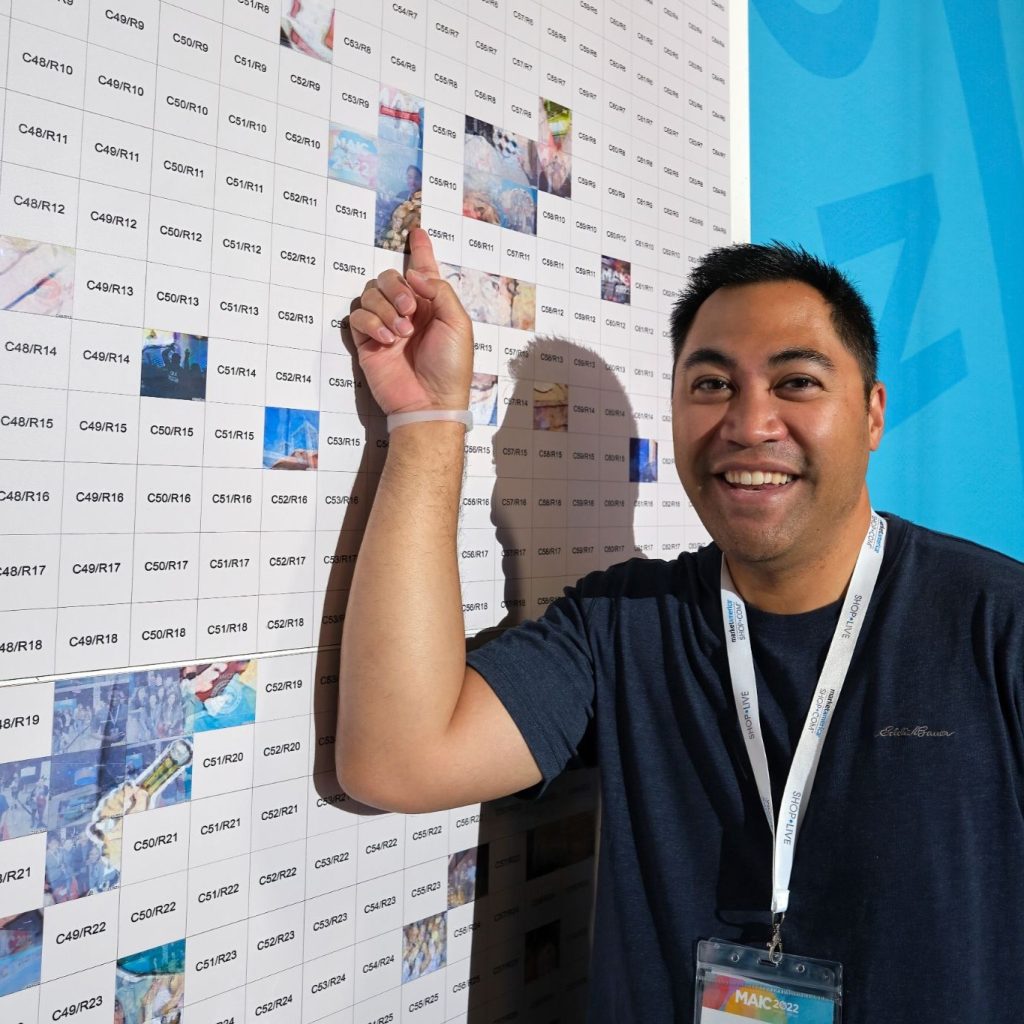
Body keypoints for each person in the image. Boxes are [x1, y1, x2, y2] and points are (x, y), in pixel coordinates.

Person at [339, 228, 1024, 1022]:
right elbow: (397, 760)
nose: (748, 422)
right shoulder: (621, 627)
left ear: (872, 413)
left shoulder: (994, 622)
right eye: (711, 384)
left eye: (796, 382)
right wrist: (427, 424)